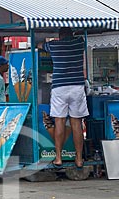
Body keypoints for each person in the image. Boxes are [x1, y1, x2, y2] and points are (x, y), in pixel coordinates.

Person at [42, 27, 88, 169]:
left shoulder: (54, 45)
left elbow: (39, 45)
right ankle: (79, 159)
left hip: (59, 87)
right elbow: (82, 38)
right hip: (77, 87)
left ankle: (58, 158)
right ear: (72, 34)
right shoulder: (79, 43)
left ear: (60, 36)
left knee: (59, 121)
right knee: (76, 122)